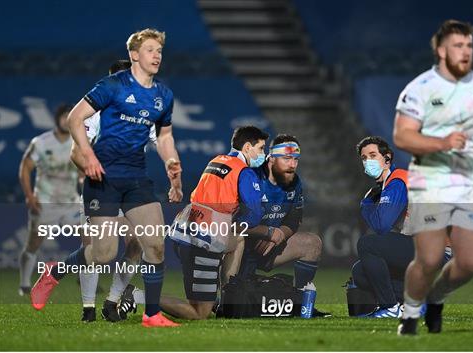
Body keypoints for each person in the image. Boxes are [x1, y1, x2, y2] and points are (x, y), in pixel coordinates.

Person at [31, 28, 183, 328]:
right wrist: (88, 160)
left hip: (136, 179)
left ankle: (151, 314)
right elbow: (75, 131)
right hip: (104, 182)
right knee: (103, 252)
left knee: (153, 243)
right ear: (133, 58)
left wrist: (172, 166)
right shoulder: (107, 94)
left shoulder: (160, 97)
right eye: (150, 50)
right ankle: (55, 273)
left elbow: (164, 137)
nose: (157, 56)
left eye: (159, 51)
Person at [393, 19, 473, 335]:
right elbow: (402, 136)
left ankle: (435, 298)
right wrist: (442, 143)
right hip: (429, 182)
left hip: (467, 186)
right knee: (430, 259)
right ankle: (409, 315)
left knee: (472, 263)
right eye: (458, 46)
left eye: (469, 46)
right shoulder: (420, 88)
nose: (466, 52)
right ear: (441, 50)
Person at [121, 126, 268, 320]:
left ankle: (226, 299)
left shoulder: (216, 160)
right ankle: (137, 296)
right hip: (204, 241)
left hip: (183, 232)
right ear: (248, 147)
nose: (263, 154)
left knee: (237, 240)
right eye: (261, 148)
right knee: (199, 312)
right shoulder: (245, 172)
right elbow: (254, 214)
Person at [70, 59, 150, 323]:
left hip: (130, 189)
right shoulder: (93, 111)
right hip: (101, 188)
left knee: (138, 242)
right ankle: (88, 309)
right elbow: (77, 152)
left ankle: (112, 301)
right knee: (97, 249)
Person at [236, 134, 327, 317]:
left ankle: (302, 303)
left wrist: (279, 234)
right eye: (286, 158)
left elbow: (294, 219)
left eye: (295, 159)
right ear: (271, 159)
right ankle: (224, 297)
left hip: (269, 247)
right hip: (239, 247)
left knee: (312, 243)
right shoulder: (250, 176)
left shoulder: (294, 183)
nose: (292, 164)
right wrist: (267, 232)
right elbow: (233, 223)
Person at [18, 104, 81, 296]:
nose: (65, 120)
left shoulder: (78, 141)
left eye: (69, 117)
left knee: (90, 239)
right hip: (46, 201)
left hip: (71, 201)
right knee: (33, 244)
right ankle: (24, 284)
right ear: (57, 119)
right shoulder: (41, 142)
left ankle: (84, 277)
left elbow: (82, 171)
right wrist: (30, 196)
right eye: (63, 116)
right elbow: (25, 168)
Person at [350, 136, 412, 318]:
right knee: (360, 272)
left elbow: (382, 225)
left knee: (367, 244)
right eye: (364, 158)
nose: (368, 161)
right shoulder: (387, 185)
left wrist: (366, 203)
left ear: (387, 159)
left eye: (372, 155)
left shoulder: (397, 180)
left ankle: (391, 307)